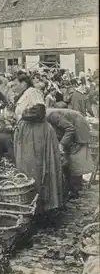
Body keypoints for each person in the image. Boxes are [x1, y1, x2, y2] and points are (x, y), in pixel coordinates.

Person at [13, 74, 63, 220]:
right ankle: (32, 203)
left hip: (35, 134)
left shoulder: (32, 92)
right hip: (28, 133)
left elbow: (39, 112)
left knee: (35, 167)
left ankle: (40, 205)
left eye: (15, 84)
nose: (13, 87)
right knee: (27, 167)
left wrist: (22, 115)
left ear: (23, 83)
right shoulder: (24, 94)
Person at [46, 108, 94, 199]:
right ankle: (74, 187)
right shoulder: (47, 115)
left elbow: (70, 128)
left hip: (79, 128)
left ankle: (74, 190)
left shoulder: (52, 115)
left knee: (75, 159)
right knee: (71, 159)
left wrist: (62, 144)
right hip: (75, 124)